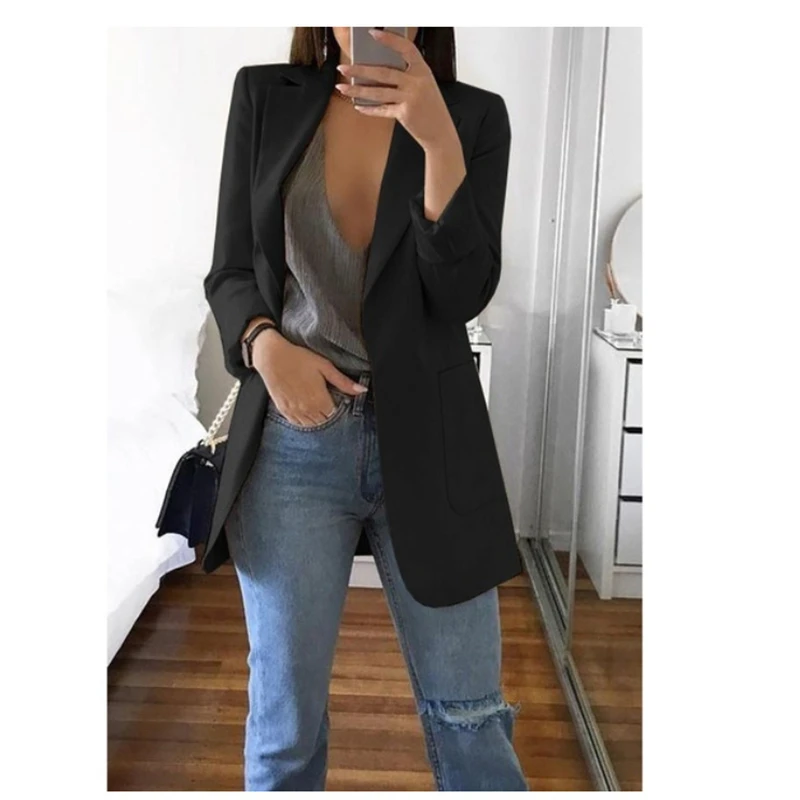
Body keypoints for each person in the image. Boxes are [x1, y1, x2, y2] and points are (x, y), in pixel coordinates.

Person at [204, 26, 528, 791]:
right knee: (283, 730)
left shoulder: (473, 117)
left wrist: (438, 142)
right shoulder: (264, 97)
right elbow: (230, 271)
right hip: (293, 443)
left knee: (472, 722)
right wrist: (266, 346)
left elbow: (460, 294)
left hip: (433, 443)